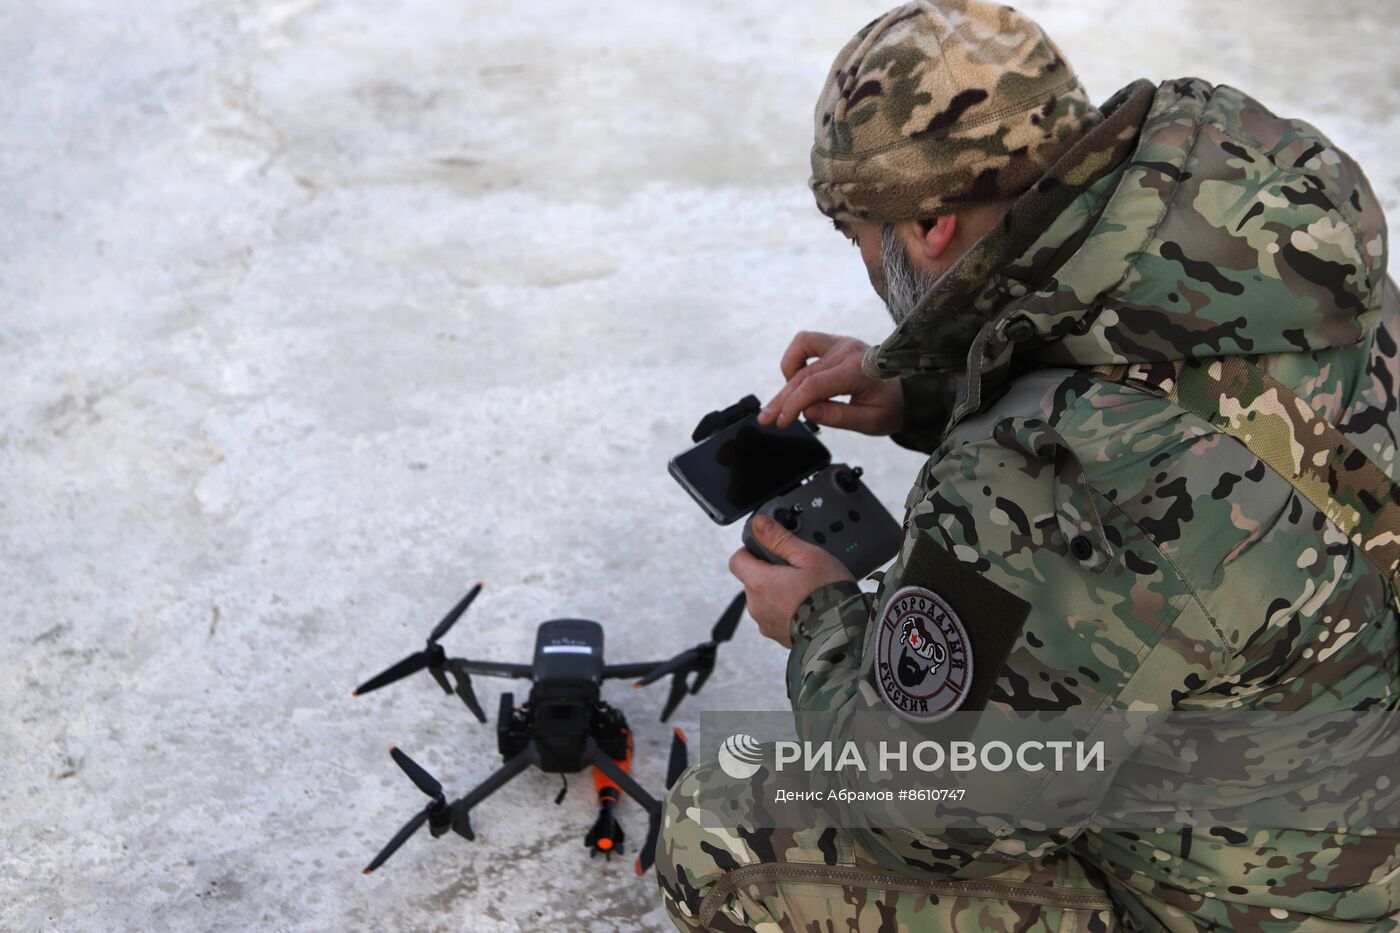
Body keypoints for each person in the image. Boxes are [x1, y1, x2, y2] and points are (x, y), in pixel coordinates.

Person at [656, 0, 1399, 930]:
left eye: (858, 235)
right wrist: (922, 384)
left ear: (929, 225)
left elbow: (923, 814)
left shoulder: (1044, 473)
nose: (864, 264)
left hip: (1287, 902)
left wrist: (818, 621)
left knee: (718, 827)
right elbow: (1156, 377)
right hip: (1350, 770)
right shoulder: (1263, 236)